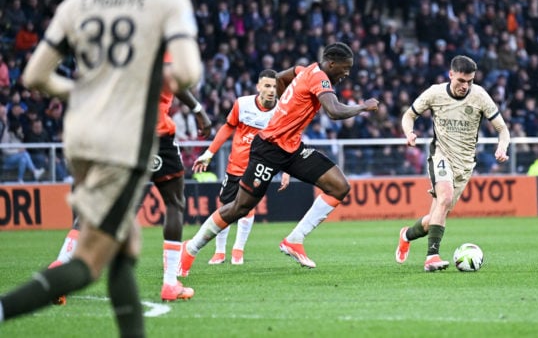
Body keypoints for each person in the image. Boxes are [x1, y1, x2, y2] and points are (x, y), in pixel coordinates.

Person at [0, 0, 202, 335]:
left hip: (80, 137)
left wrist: (85, 93)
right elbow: (186, 73)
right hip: (125, 138)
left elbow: (35, 76)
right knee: (91, 262)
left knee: (125, 245)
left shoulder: (80, 1)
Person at [179, 42, 378, 274]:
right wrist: (363, 107)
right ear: (331, 63)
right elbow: (334, 111)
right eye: (345, 68)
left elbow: (281, 77)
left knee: (339, 186)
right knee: (240, 207)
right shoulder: (319, 77)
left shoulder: (303, 71)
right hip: (269, 149)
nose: (346, 74)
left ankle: (294, 240)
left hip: (292, 149)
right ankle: (190, 249)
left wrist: (285, 105)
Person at [48, 76, 211, 303]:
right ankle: (170, 283)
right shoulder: (163, 46)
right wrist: (198, 109)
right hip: (156, 136)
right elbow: (174, 79)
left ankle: (61, 264)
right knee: (174, 202)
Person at [395, 55, 510, 272]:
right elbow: (408, 115)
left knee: (437, 215)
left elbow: (502, 129)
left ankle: (406, 235)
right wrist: (409, 133)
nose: (465, 86)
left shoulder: (480, 96)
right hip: (440, 155)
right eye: (460, 81)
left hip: (465, 165)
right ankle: (432, 257)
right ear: (451, 75)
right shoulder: (435, 93)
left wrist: (502, 147)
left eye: (470, 81)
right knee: (445, 197)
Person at [191, 69, 278, 266]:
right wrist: (209, 152)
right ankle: (219, 252)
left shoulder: (280, 111)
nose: (271, 90)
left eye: (274, 86)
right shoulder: (243, 103)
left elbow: (286, 140)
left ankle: (238, 250)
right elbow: (227, 127)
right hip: (235, 166)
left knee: (248, 207)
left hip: (257, 168)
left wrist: (288, 171)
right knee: (224, 206)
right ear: (258, 86)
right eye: (267, 85)